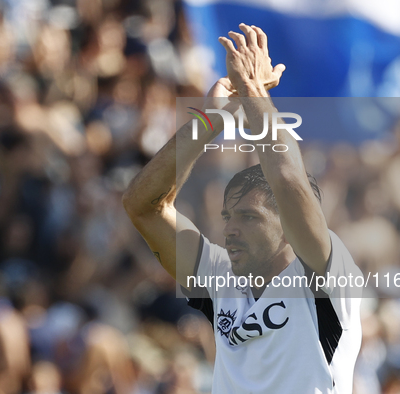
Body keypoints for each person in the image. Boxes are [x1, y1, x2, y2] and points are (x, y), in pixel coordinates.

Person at [123, 23, 362, 394]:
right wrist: (210, 119)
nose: (230, 229)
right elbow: (142, 206)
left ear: (287, 225)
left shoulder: (325, 275)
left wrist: (251, 91)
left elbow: (289, 182)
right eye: (228, 217)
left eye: (249, 217)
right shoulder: (221, 277)